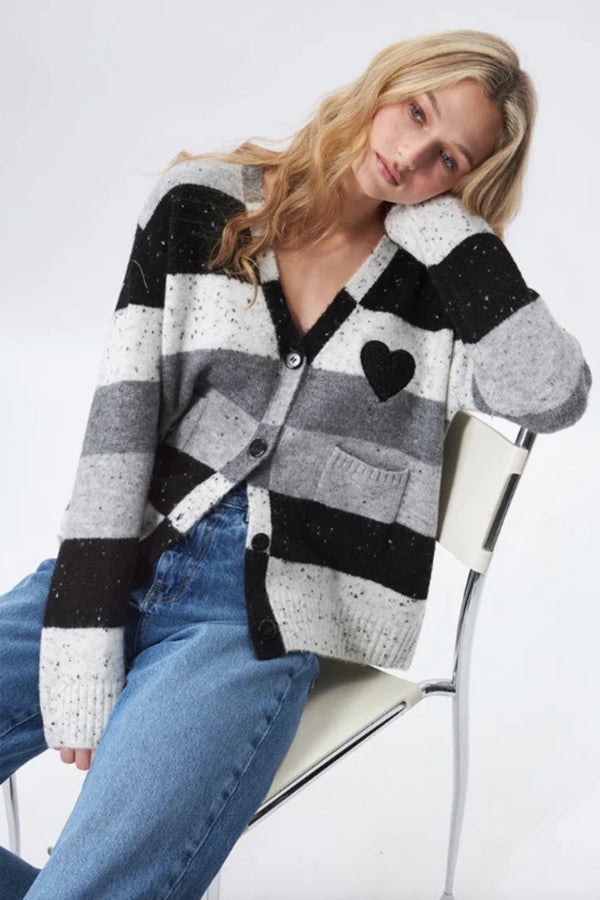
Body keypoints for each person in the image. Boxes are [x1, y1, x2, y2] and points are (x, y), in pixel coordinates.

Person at [0, 27, 591, 899]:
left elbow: (554, 394)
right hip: (124, 556)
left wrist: (458, 238)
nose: (412, 156)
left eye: (448, 158)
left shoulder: (439, 290)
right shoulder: (202, 204)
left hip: (260, 620)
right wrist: (83, 624)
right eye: (415, 112)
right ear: (383, 86)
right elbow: (120, 419)